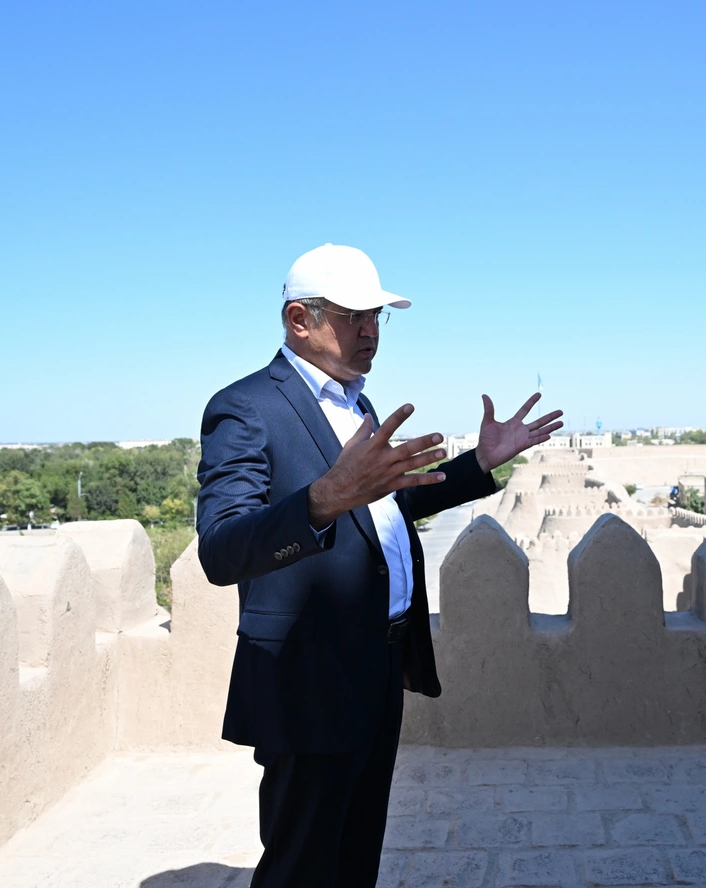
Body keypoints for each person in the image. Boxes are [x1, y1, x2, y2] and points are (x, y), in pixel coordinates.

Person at [195, 243, 562, 887]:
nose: (371, 331)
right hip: (307, 677)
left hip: (376, 662)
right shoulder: (246, 407)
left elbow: (382, 509)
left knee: (358, 850)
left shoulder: (355, 403)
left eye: (376, 316)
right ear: (299, 320)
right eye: (353, 316)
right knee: (301, 863)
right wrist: (322, 499)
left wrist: (479, 463)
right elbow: (221, 549)